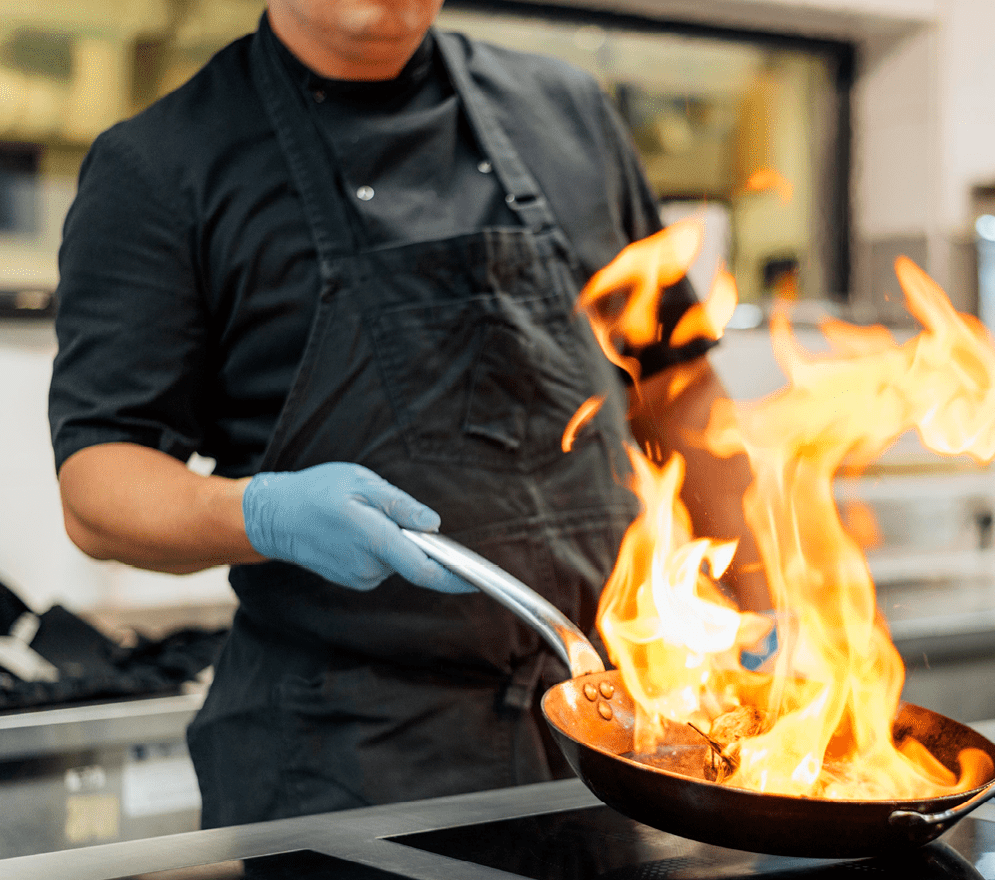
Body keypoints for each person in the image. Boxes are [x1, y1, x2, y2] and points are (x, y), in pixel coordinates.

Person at [50, 0, 768, 828]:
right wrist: (262, 514)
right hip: (345, 763)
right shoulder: (160, 163)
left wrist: (763, 613)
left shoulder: (566, 109)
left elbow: (681, 395)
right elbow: (97, 488)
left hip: (622, 740)